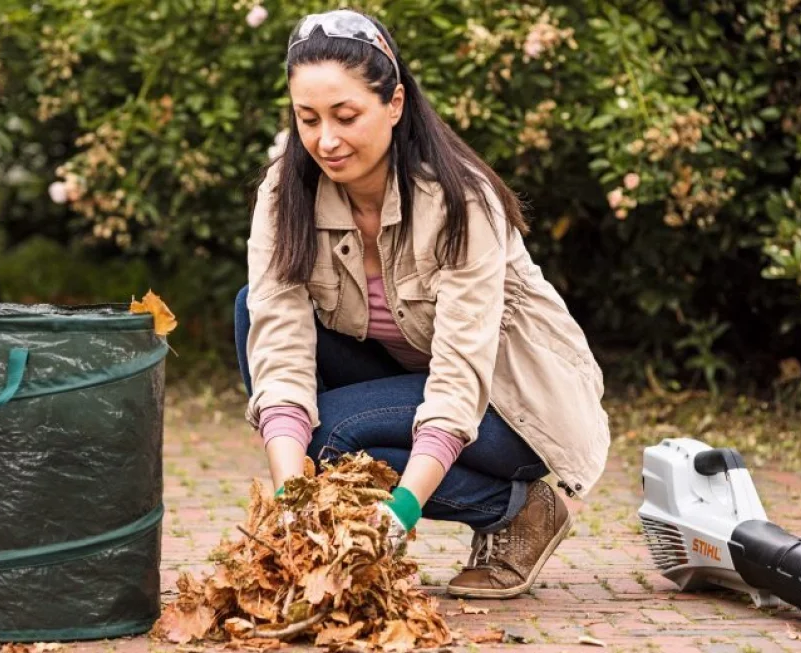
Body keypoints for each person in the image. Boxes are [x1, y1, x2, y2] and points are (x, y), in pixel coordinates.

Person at [234, 9, 610, 599]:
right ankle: (489, 508)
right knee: (249, 314)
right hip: (412, 377)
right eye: (307, 119)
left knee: (330, 441)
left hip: (512, 406)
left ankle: (522, 506)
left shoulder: (461, 201)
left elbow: (460, 374)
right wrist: (291, 503)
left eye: (346, 116)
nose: (325, 140)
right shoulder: (286, 192)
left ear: (395, 103)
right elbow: (278, 343)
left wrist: (400, 511)